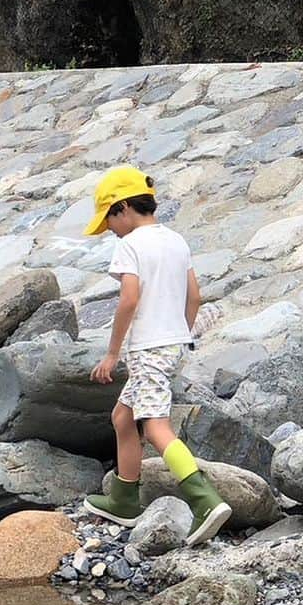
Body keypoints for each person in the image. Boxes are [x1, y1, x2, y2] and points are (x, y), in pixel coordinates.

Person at [81, 165, 231, 546]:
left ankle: (205, 500)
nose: (109, 230)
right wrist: (180, 333)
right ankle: (124, 499)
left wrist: (112, 353)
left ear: (124, 208)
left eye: (109, 220)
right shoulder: (176, 240)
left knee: (155, 426)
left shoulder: (130, 245)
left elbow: (129, 299)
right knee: (122, 416)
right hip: (172, 345)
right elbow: (193, 295)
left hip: (147, 349)